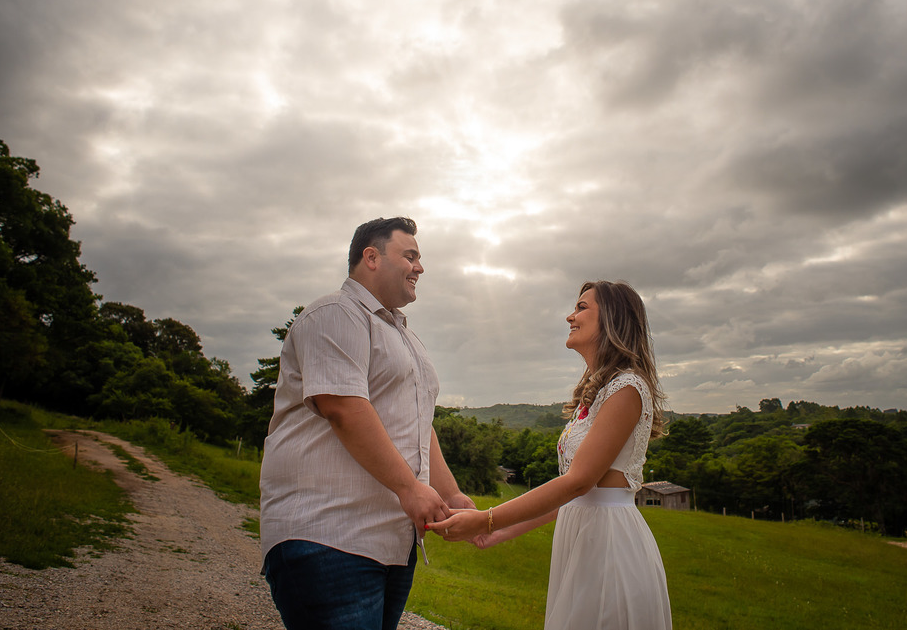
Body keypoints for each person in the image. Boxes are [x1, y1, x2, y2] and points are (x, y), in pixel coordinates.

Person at [260, 216, 475, 630]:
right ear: (371, 257)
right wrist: (410, 488)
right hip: (327, 535)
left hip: (392, 544)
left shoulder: (407, 338)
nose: (420, 267)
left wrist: (451, 494)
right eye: (410, 256)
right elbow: (344, 408)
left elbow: (419, 423)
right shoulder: (334, 314)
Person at [430, 280, 672, 630]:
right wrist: (498, 532)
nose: (570, 316)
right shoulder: (601, 391)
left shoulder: (627, 388)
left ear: (613, 319)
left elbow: (577, 483)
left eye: (582, 307)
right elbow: (573, 495)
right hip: (582, 538)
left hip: (610, 544)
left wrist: (486, 519)